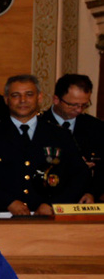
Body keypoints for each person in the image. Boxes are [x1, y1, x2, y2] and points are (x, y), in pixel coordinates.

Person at [0, 74, 88, 216]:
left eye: (29, 94)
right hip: (0, 217)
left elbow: (79, 176)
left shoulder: (60, 135)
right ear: (6, 99)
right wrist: (8, 202)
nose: (23, 100)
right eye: (16, 95)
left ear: (39, 97)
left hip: (49, 219)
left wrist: (53, 205)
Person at [39, 73, 104, 201]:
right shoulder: (39, 125)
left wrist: (92, 192)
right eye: (73, 105)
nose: (79, 110)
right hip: (46, 199)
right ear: (56, 100)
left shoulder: (96, 128)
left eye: (84, 105)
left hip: (83, 201)